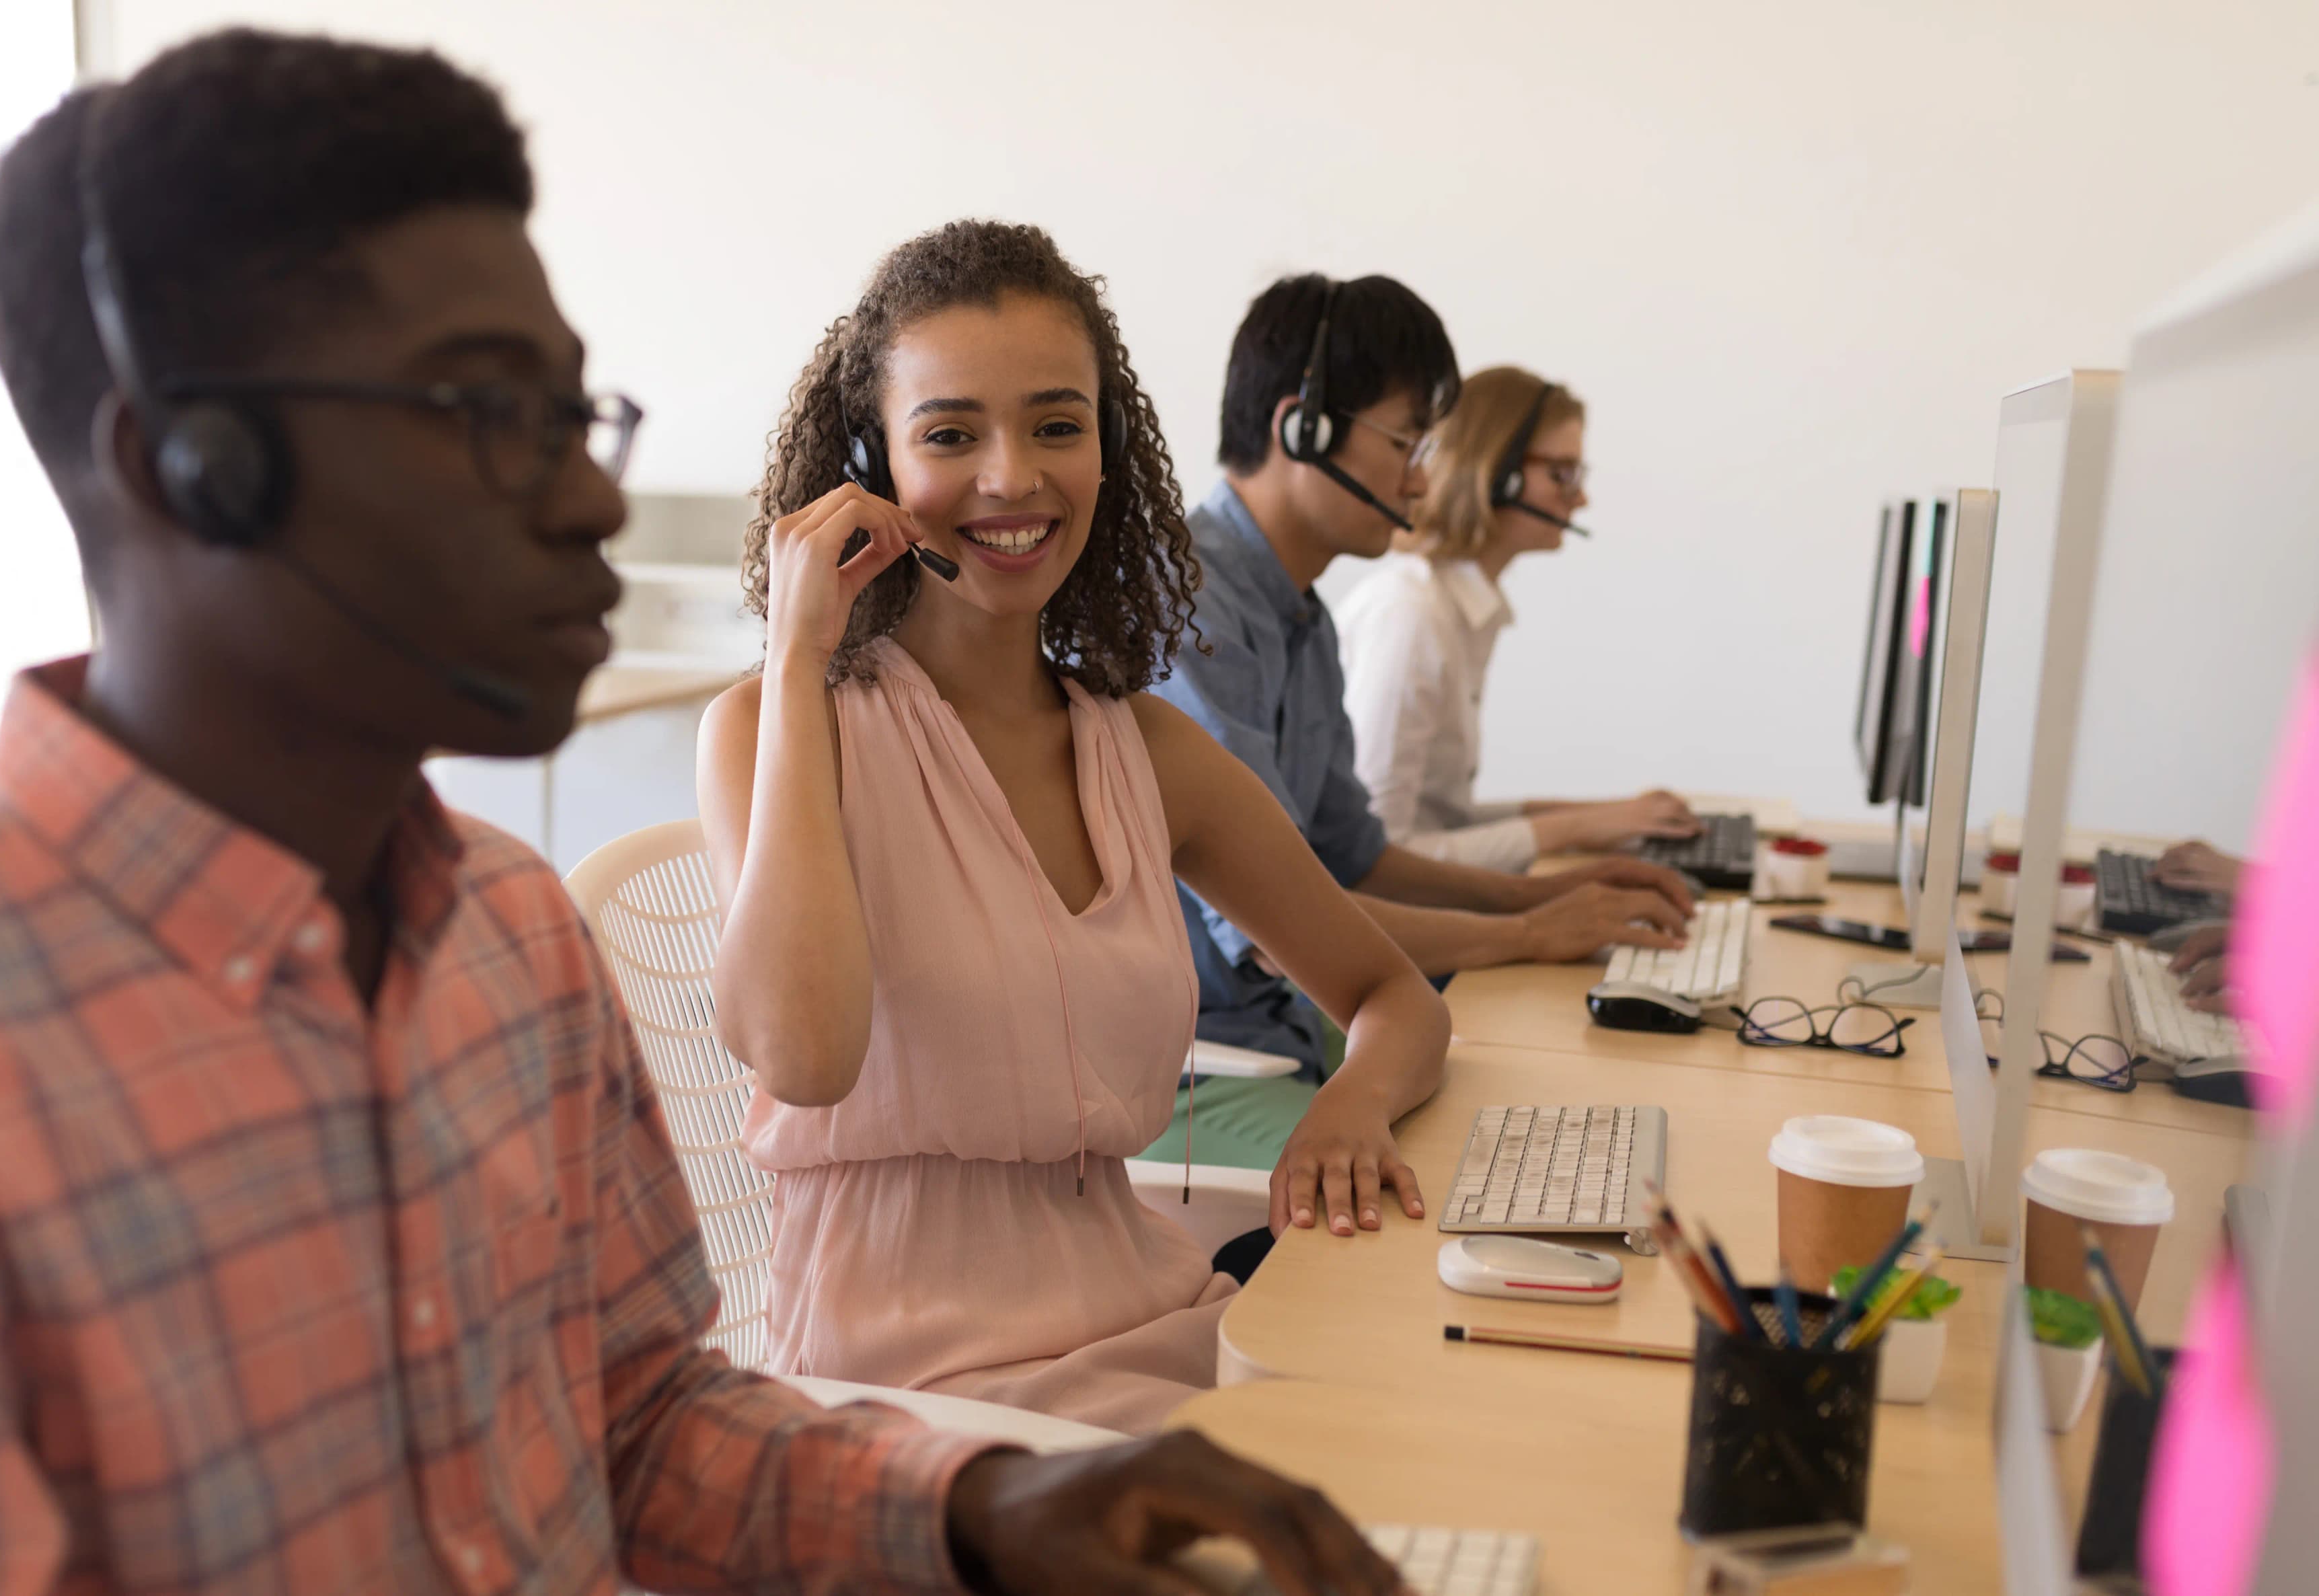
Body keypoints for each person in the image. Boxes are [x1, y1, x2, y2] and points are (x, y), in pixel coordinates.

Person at [0, 34, 1406, 1596]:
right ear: (194, 466)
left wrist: (975, 1509)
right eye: (489, 414)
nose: (598, 497)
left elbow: (641, 1419)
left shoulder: (510, 934)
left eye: (575, 414)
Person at [699, 222, 1451, 1433]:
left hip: (1151, 1321)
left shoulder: (1144, 749)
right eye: (951, 435)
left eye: (1057, 425)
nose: (1012, 478)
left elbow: (1395, 996)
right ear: (871, 464)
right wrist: (797, 655)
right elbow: (803, 1055)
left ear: (1110, 450)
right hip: (918, 1395)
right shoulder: (772, 728)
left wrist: (1351, 1107)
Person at [1148, 275, 1694, 1174]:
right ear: (1303, 429)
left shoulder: (1303, 618)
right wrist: (1529, 933)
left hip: (1290, 1033)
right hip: (1193, 1069)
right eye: (1407, 442)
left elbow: (1358, 857)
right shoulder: (1190, 609)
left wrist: (1546, 896)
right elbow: (1279, 938)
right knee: (1470, 1181)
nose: (1422, 478)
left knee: (1542, 1119)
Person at [1336, 366, 1700, 872]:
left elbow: (1444, 818)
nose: (1581, 498)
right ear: (1495, 472)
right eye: (1562, 474)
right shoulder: (1410, 615)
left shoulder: (1460, 609)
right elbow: (1379, 854)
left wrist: (1610, 817)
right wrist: (1576, 829)